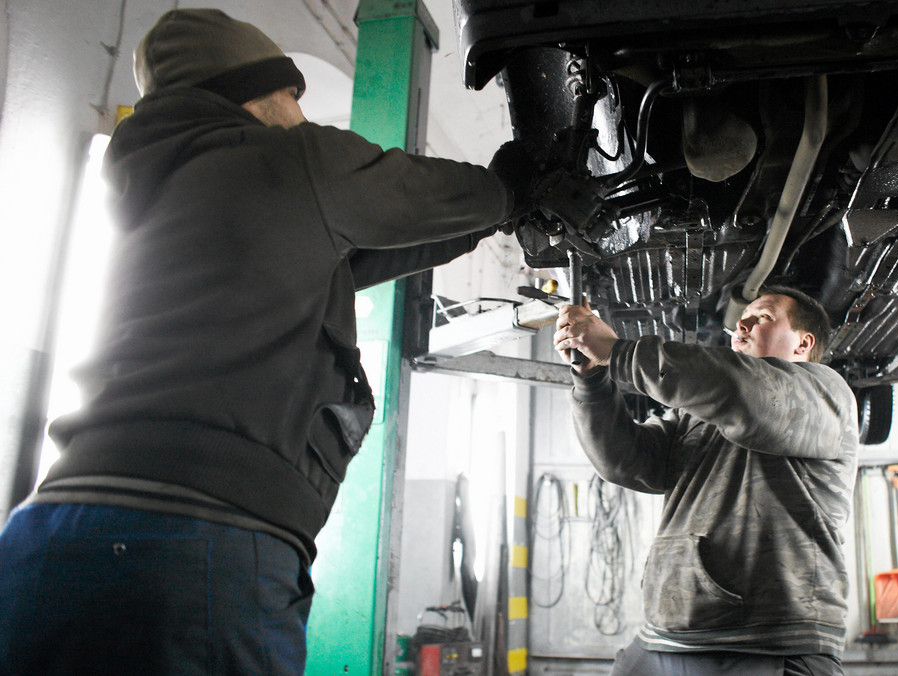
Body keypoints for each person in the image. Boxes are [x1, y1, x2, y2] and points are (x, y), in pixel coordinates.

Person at [0, 9, 533, 675]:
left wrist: (494, 216)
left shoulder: (158, 187)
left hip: (43, 536)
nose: (302, 114)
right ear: (250, 95)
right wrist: (516, 185)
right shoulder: (293, 158)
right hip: (196, 540)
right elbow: (435, 196)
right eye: (292, 96)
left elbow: (371, 251)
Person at [554, 286, 859, 676]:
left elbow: (742, 390)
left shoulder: (825, 393)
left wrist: (619, 351)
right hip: (664, 635)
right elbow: (627, 460)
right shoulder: (697, 415)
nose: (741, 323)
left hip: (767, 643)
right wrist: (592, 379)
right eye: (741, 317)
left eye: (762, 316)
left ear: (803, 343)